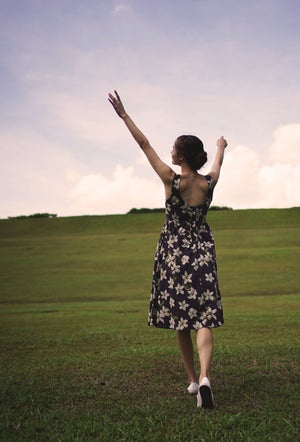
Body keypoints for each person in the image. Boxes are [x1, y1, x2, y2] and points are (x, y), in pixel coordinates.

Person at [108, 90, 227, 409]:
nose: (170, 150)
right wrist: (220, 147)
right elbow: (217, 165)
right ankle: (204, 377)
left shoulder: (170, 179)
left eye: (174, 147)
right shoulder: (208, 184)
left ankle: (191, 381)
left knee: (181, 320)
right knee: (204, 317)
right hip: (202, 253)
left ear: (182, 156)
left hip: (174, 256)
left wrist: (123, 115)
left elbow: (143, 144)